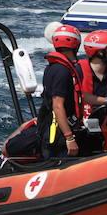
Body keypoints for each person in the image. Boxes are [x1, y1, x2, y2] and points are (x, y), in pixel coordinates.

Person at [33, 24, 86, 158]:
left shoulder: (52, 67)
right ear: (76, 45)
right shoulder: (62, 71)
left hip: (53, 128)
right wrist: (69, 138)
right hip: (57, 134)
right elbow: (57, 105)